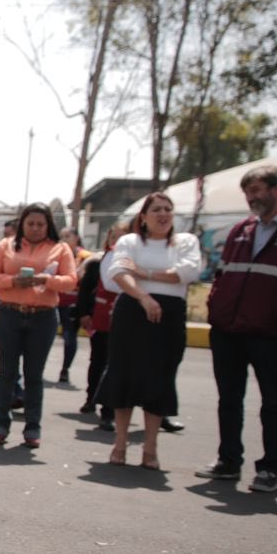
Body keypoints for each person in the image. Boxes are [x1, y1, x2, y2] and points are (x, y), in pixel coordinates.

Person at [196, 165, 277, 493]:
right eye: (248, 192)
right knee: (229, 398)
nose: (251, 198)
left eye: (256, 190)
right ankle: (228, 460)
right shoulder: (241, 229)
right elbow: (223, 274)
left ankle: (269, 469)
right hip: (228, 329)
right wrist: (216, 307)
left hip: (268, 332)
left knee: (273, 401)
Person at [100, 193, 202, 470]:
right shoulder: (129, 241)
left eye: (168, 209)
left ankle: (150, 447)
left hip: (169, 317)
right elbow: (119, 272)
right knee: (125, 375)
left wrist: (143, 272)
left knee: (160, 378)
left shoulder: (186, 242)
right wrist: (143, 297)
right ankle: (120, 443)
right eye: (156, 209)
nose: (163, 214)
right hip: (132, 312)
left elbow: (187, 273)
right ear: (143, 217)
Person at [0, 203, 77, 448]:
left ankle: (32, 427)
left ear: (48, 225)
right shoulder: (7, 245)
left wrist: (46, 279)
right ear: (22, 224)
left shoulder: (60, 248)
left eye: (40, 224)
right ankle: (0, 423)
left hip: (43, 316)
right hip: (9, 315)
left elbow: (70, 281)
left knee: (34, 375)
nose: (35, 229)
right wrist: (13, 281)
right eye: (30, 223)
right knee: (7, 372)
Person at [75, 225, 124, 431]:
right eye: (114, 237)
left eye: (122, 238)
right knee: (98, 361)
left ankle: (109, 410)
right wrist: (84, 314)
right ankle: (91, 397)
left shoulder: (133, 262)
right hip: (102, 319)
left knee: (116, 365)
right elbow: (85, 291)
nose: (118, 241)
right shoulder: (97, 262)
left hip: (124, 320)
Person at [56, 228, 91, 384]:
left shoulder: (85, 257)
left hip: (73, 304)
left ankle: (65, 369)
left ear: (76, 238)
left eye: (68, 236)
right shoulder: (55, 254)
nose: (64, 239)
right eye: (62, 236)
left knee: (70, 336)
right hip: (55, 301)